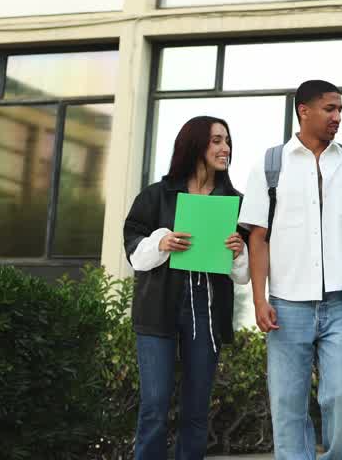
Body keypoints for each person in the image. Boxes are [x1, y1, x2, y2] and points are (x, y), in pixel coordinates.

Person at [239, 80, 342, 460]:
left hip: (341, 303)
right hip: (287, 305)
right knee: (287, 404)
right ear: (304, 110)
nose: (338, 117)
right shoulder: (270, 165)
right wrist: (259, 299)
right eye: (330, 109)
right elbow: (258, 237)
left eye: (340, 110)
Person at [123, 116, 250, 460]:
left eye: (227, 141)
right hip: (158, 310)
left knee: (196, 411)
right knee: (154, 406)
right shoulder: (156, 196)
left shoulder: (235, 202)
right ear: (195, 145)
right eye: (217, 141)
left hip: (206, 311)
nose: (225, 148)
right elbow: (134, 253)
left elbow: (242, 277)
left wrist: (240, 253)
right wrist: (162, 243)